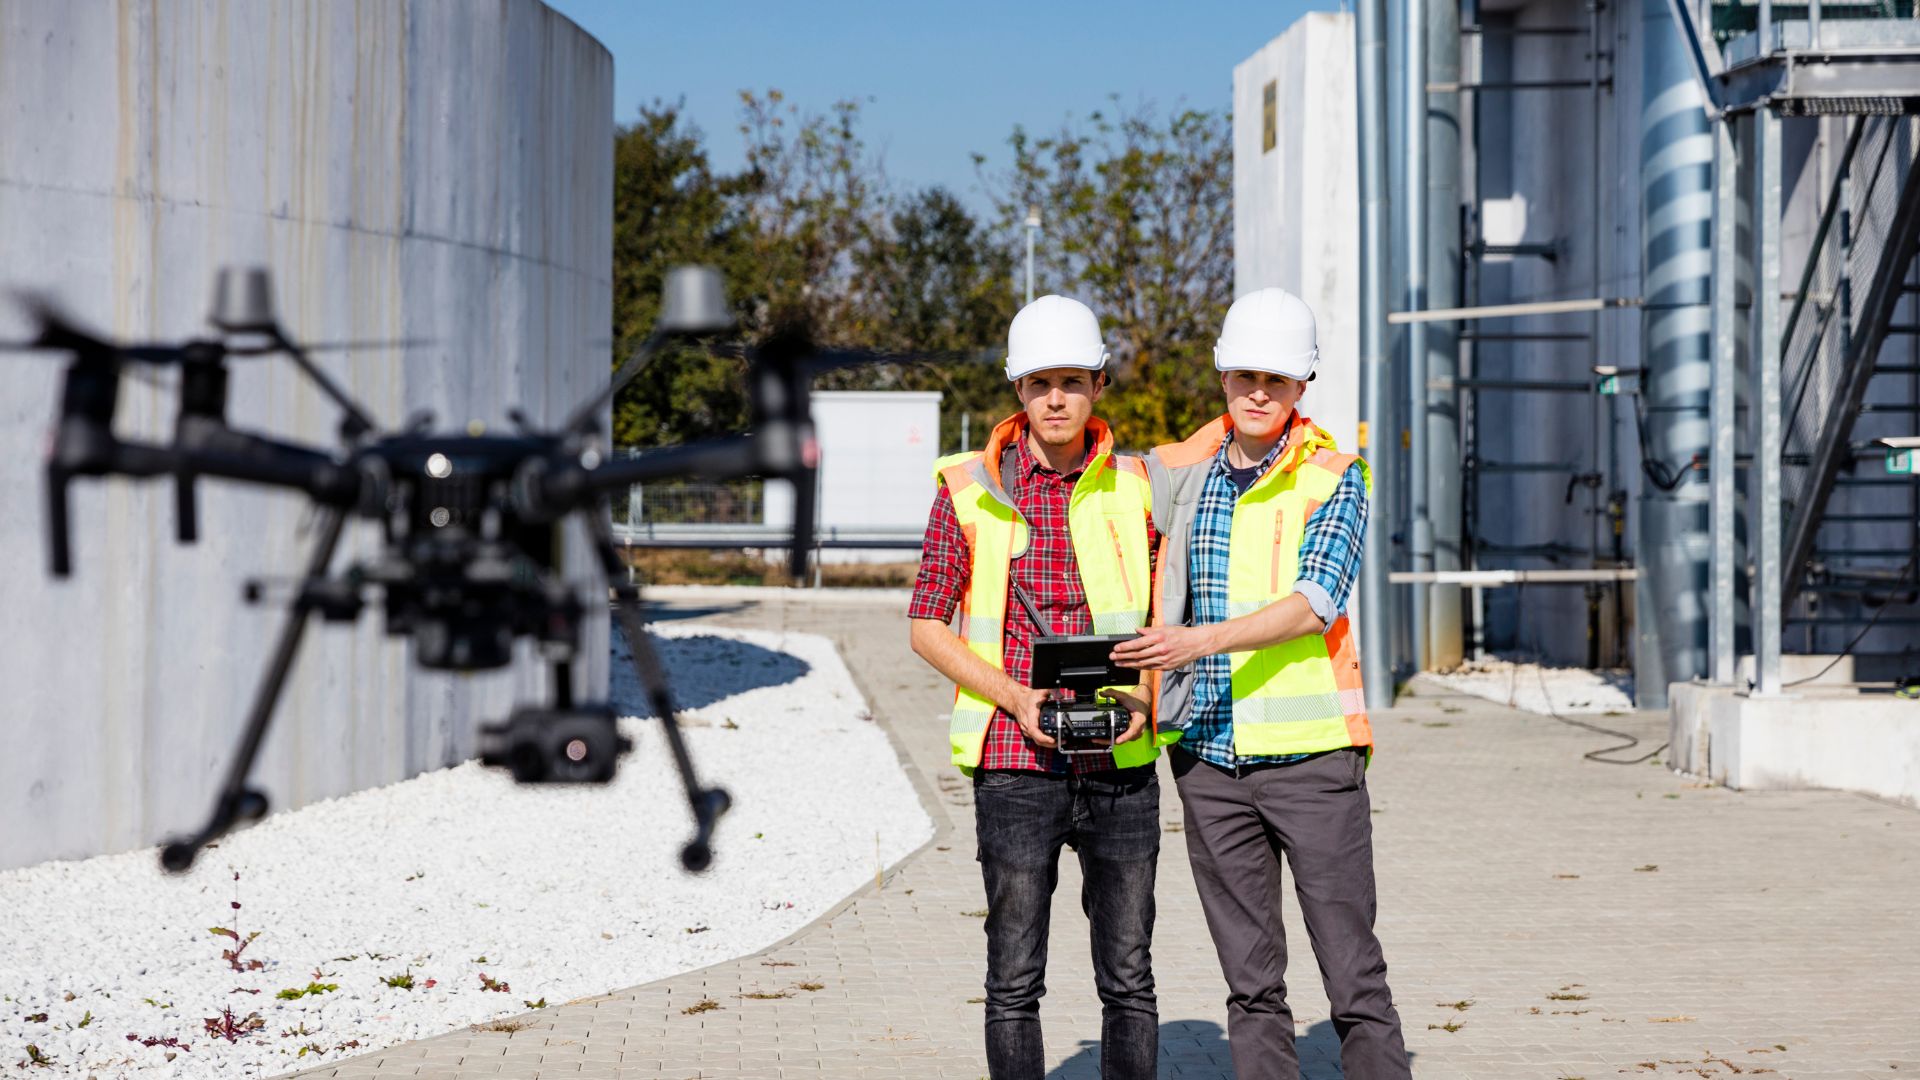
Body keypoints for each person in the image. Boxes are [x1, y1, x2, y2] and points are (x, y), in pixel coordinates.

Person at [1112, 287, 1411, 1079]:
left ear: (1301, 387)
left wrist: (1193, 642)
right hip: (1208, 763)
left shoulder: (1335, 478)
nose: (1257, 392)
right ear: (1221, 375)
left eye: (1275, 381)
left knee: (1354, 981)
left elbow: (1316, 603)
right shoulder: (1180, 477)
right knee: (1250, 990)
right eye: (1244, 375)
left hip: (1313, 764)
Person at [907, 294, 1174, 1080]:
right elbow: (926, 624)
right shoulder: (967, 488)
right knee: (1013, 983)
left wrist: (1145, 700)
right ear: (1017, 392)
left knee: (1129, 981)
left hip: (1121, 767)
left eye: (1071, 381)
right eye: (1038, 383)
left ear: (1098, 385)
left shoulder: (1141, 485)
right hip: (1014, 766)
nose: (1055, 398)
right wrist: (1016, 699)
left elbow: (1170, 616)